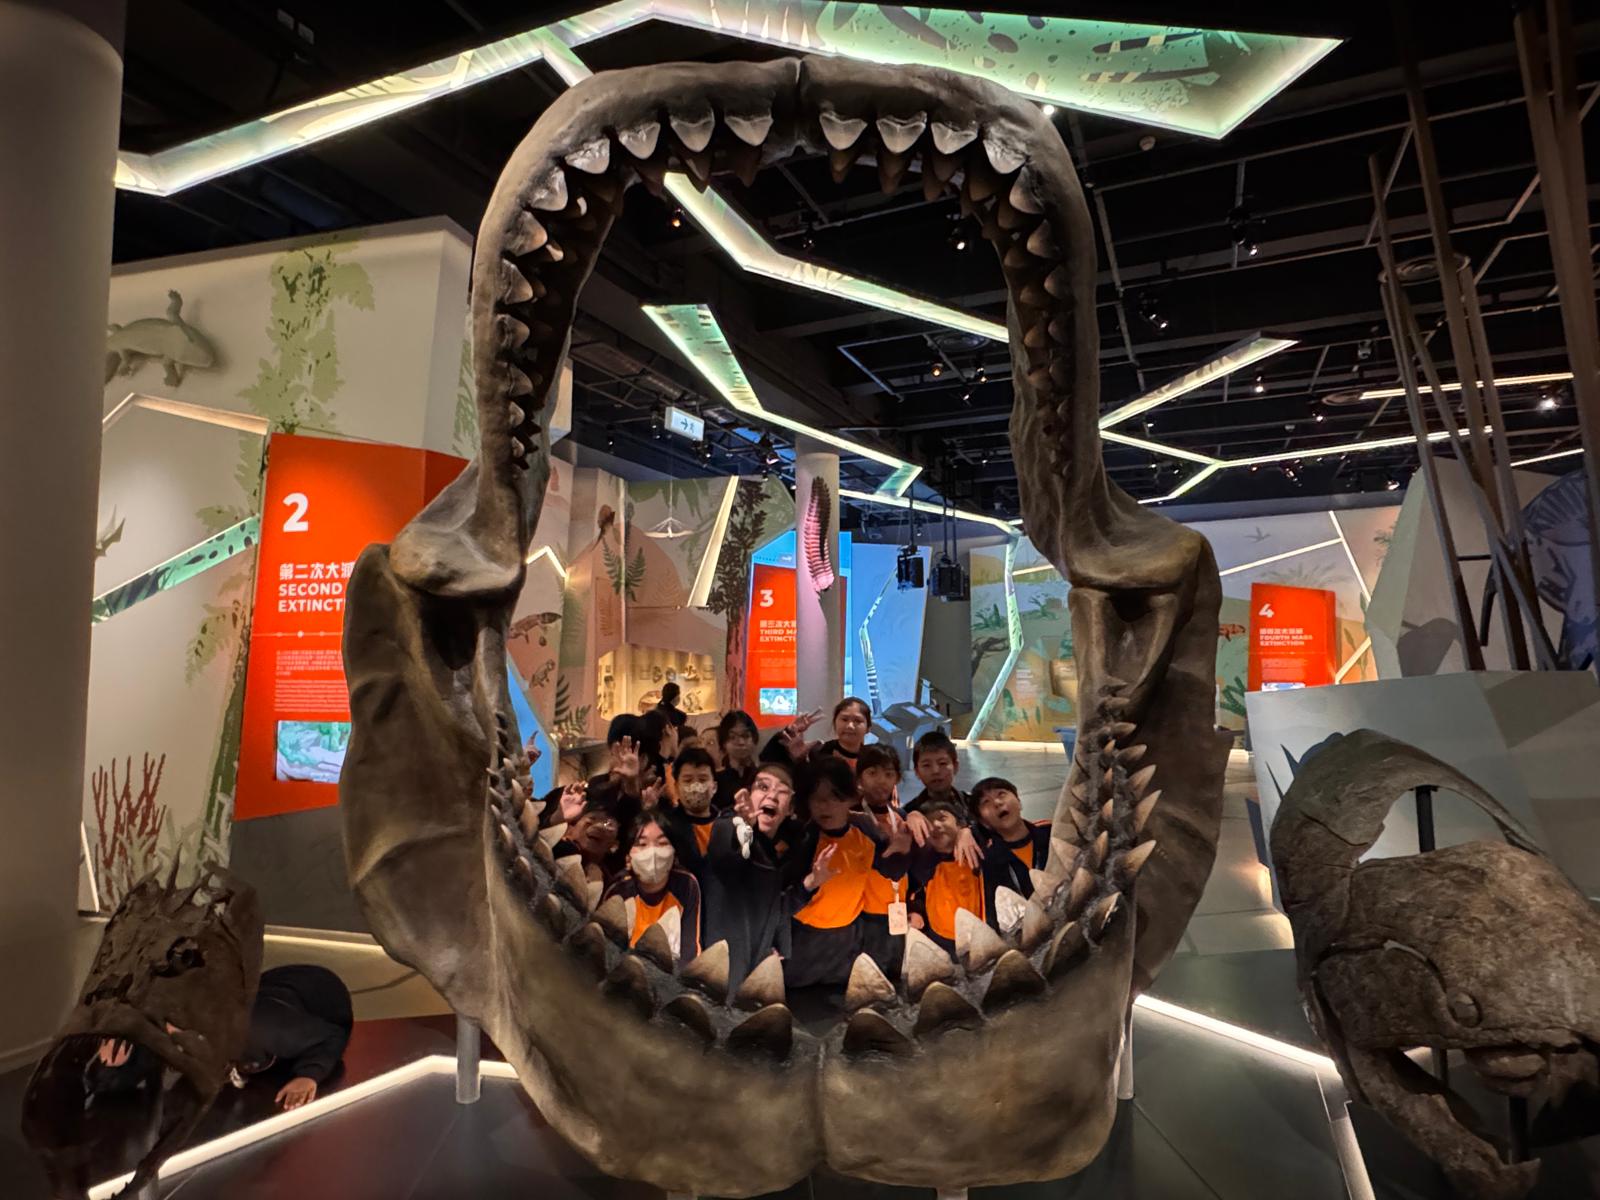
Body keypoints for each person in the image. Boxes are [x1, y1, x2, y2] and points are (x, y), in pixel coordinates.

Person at [92, 964, 353, 1112]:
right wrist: (112, 1067)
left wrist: (309, 1075)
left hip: (320, 995)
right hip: (262, 997)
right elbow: (114, 1085)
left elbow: (331, 1035)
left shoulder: (263, 1028)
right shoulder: (164, 1029)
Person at [784, 756, 907, 990]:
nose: (825, 805)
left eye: (835, 797)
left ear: (851, 798)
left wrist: (902, 850)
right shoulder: (802, 839)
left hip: (847, 940)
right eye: (817, 798)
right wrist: (810, 883)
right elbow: (783, 901)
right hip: (804, 941)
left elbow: (891, 871)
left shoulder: (865, 833)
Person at [701, 762, 804, 995]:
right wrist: (743, 826)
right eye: (763, 787)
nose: (772, 796)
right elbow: (724, 857)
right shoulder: (728, 825)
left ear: (790, 808)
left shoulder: (776, 852)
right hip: (720, 975)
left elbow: (775, 906)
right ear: (748, 795)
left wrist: (779, 946)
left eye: (782, 791)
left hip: (755, 970)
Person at [603, 813, 702, 967]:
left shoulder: (686, 884)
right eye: (642, 844)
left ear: (674, 852)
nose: (653, 852)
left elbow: (689, 949)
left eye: (662, 843)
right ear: (628, 857)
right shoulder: (618, 891)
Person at [903, 797, 987, 955]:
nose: (935, 825)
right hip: (941, 942)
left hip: (984, 937)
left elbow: (991, 829)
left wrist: (968, 831)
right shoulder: (922, 865)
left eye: (942, 818)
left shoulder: (979, 852)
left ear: (959, 824)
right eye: (928, 823)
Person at [855, 743, 911, 978]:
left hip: (898, 911)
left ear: (897, 778)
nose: (881, 781)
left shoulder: (902, 817)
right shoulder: (853, 818)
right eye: (872, 773)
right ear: (860, 778)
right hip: (865, 916)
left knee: (898, 973)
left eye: (889, 774)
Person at [763, 697, 873, 772]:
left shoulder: (873, 758)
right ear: (834, 723)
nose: (850, 726)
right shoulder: (818, 753)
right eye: (844, 719)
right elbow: (767, 761)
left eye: (858, 721)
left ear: (868, 727)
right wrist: (790, 732)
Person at [659, 746, 719, 876]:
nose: (695, 787)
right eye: (688, 780)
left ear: (714, 787)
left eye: (702, 780)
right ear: (676, 787)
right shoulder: (665, 826)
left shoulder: (729, 823)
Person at [553, 800, 622, 883]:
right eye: (592, 819)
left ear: (613, 845)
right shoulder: (551, 846)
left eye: (609, 826)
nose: (599, 826)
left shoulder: (611, 883)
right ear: (571, 826)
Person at [903, 729, 965, 816]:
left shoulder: (974, 805)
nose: (935, 771)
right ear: (917, 771)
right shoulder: (908, 813)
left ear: (955, 766)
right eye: (926, 765)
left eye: (942, 763)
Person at [715, 709, 761, 804]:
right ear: (723, 743)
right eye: (732, 737)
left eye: (746, 736)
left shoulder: (762, 776)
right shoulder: (716, 780)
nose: (741, 742)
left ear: (754, 739)